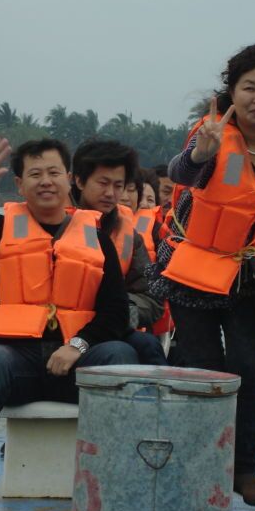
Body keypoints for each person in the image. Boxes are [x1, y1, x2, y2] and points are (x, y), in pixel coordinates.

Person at [0, 137, 137, 511]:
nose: (46, 181)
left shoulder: (97, 240)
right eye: (35, 174)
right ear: (19, 185)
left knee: (121, 355)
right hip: (16, 362)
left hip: (77, 364)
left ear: (69, 179)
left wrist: (78, 345)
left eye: (54, 172)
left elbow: (115, 312)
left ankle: (116, 474)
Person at [148, 42, 255, 507]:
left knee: (249, 369)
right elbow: (182, 176)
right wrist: (201, 153)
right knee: (202, 367)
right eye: (248, 87)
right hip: (196, 269)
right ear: (232, 92)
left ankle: (244, 468)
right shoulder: (213, 132)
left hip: (251, 273)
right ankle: (201, 464)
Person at [71, 139, 167, 365]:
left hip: (108, 327)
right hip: (58, 327)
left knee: (148, 345)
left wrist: (122, 308)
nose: (110, 193)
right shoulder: (55, 221)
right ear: (79, 181)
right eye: (103, 183)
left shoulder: (130, 237)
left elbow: (152, 300)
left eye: (118, 186)